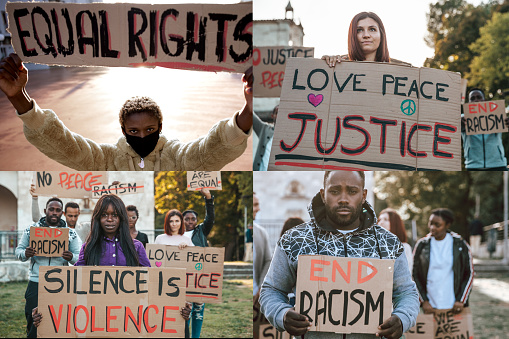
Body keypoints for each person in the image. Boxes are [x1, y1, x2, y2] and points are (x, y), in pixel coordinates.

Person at [0, 54, 253, 171]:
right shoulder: (107, 160)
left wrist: (248, 109)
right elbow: (66, 145)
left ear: (160, 128)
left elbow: (207, 151)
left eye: (149, 130)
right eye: (134, 131)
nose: (142, 136)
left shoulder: (176, 156)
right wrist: (17, 97)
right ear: (123, 130)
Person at [259, 171, 419, 339]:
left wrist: (402, 318)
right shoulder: (294, 239)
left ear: (364, 195)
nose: (343, 199)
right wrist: (282, 314)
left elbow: (406, 292)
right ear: (323, 194)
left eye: (352, 191)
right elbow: (271, 289)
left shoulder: (388, 242)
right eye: (335, 191)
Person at [32, 194, 191, 329]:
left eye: (114, 215)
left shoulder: (136, 247)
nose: (109, 219)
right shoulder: (88, 248)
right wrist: (47, 308)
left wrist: (177, 306)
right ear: (97, 218)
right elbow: (73, 282)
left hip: (130, 320)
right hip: (96, 321)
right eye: (104, 215)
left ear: (121, 218)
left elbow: (152, 284)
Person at [15, 197, 81, 338]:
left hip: (60, 284)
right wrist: (25, 253)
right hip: (36, 282)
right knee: (33, 321)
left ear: (62, 213)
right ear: (45, 211)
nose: (54, 213)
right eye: (51, 209)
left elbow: (80, 256)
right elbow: (18, 251)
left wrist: (71, 258)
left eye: (58, 210)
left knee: (57, 320)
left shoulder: (70, 233)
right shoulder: (31, 230)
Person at [413, 208, 474, 316]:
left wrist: (461, 300)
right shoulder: (422, 245)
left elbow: (469, 273)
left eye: (437, 225)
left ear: (447, 225)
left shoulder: (460, 244)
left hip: (453, 305)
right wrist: (423, 301)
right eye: (430, 223)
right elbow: (413, 274)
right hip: (429, 306)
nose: (432, 228)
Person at [155, 209, 194, 337]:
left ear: (181, 222)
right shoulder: (160, 238)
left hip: (182, 285)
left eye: (177, 221)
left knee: (182, 315)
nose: (174, 224)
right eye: (171, 221)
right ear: (167, 222)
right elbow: (155, 261)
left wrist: (187, 248)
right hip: (164, 284)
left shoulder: (187, 239)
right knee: (164, 314)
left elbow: (194, 261)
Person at [181, 188, 215, 338]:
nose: (190, 221)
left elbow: (211, 218)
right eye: (186, 219)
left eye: (193, 219)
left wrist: (208, 198)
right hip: (183, 277)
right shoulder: (177, 234)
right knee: (185, 310)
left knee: (198, 310)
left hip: (200, 276)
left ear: (197, 221)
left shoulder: (201, 231)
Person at [461, 88, 508, 170]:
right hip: (472, 165)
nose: (476, 100)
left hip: (498, 164)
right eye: (472, 98)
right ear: (468, 103)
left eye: (479, 97)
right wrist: (460, 124)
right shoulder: (462, 119)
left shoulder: (497, 115)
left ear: (484, 100)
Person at [322, 12, 390, 67]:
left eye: (372, 29)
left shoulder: (398, 69)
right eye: (359, 30)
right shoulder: (339, 65)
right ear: (353, 36)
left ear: (381, 35)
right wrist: (326, 65)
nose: (366, 35)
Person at [253, 192, 272, 339]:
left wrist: (260, 286)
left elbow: (267, 260)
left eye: (257, 204)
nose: (257, 209)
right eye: (255, 205)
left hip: (256, 295)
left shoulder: (262, 233)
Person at [378, 208, 413, 273]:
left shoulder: (404, 248)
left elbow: (406, 273)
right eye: (379, 220)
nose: (381, 222)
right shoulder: (373, 246)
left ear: (395, 223)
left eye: (386, 219)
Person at [253, 105, 278, 171]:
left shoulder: (290, 136)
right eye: (277, 113)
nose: (280, 115)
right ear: (272, 116)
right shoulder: (264, 129)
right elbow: (250, 115)